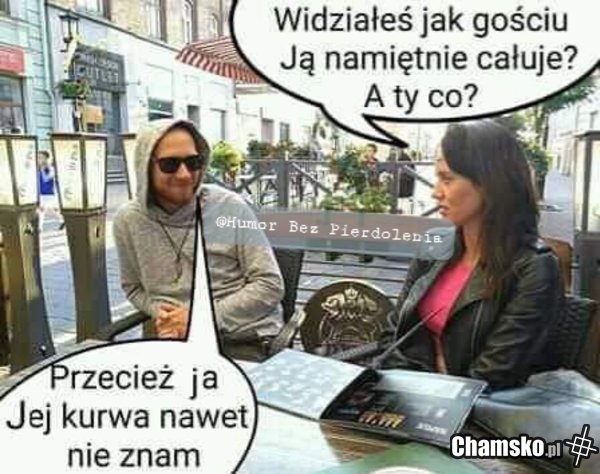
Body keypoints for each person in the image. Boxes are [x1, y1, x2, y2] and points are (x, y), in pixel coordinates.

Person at [374, 120, 563, 390]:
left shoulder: (535, 268)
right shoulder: (435, 246)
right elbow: (394, 334)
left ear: (490, 182)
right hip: (411, 395)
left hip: (479, 410)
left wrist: (420, 395)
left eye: (447, 179)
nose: (435, 192)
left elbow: (491, 378)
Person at [113, 119, 284, 361]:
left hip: (242, 338)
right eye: (170, 164)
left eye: (193, 162)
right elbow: (133, 287)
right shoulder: (128, 220)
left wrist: (200, 319)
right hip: (173, 342)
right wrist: (162, 314)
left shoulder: (230, 207)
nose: (184, 175)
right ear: (145, 166)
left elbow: (270, 284)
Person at [37, 151, 59, 231]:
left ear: (46, 159)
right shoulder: (37, 169)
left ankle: (62, 221)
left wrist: (42, 169)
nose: (39, 159)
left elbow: (46, 179)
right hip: (40, 193)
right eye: (38, 157)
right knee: (41, 210)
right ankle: (39, 227)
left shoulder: (51, 169)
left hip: (49, 193)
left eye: (41, 157)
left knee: (50, 210)